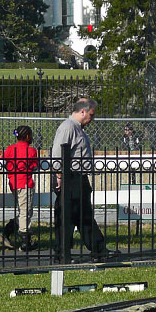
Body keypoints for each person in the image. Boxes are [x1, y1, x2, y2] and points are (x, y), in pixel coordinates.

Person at [51, 98, 118, 262]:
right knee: (67, 217)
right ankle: (63, 253)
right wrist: (59, 176)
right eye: (91, 115)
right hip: (70, 177)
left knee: (83, 216)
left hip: (79, 178)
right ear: (82, 111)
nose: (92, 119)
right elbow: (58, 154)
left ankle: (98, 250)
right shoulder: (68, 127)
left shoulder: (77, 128)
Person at [2, 125, 39, 250]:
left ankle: (7, 231)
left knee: (24, 210)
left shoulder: (10, 149)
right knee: (25, 212)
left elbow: (3, 162)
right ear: (27, 137)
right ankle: (25, 241)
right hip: (25, 183)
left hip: (13, 183)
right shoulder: (31, 151)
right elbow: (35, 166)